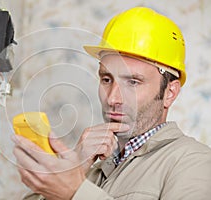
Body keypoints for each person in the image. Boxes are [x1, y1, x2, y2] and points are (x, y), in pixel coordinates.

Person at [13, 7, 211, 200]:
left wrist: (75, 193)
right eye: (107, 79)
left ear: (170, 92)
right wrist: (75, 168)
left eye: (133, 82)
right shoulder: (93, 170)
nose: (112, 99)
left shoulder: (194, 162)